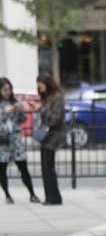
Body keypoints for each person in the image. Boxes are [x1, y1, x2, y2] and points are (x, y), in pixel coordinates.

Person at [0, 77, 40, 204]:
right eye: (5, 89)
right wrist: (4, 112)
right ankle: (7, 195)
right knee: (2, 169)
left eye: (9, 89)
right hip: (2, 141)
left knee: (23, 167)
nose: (7, 92)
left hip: (16, 140)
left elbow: (22, 120)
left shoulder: (15, 101)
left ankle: (32, 194)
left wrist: (20, 110)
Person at [31, 73, 65, 205]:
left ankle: (54, 198)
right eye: (39, 87)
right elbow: (44, 116)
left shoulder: (57, 97)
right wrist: (38, 109)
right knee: (45, 168)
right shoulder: (47, 98)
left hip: (53, 136)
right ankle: (50, 197)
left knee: (48, 168)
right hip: (45, 136)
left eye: (41, 86)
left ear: (47, 84)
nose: (40, 89)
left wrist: (42, 109)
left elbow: (56, 118)